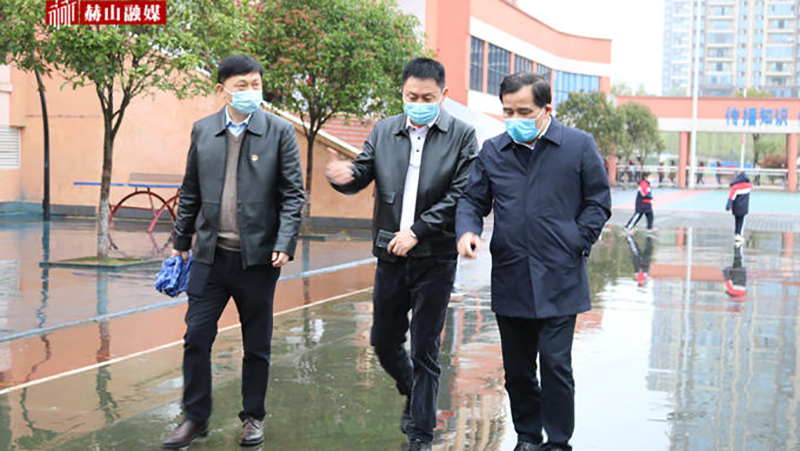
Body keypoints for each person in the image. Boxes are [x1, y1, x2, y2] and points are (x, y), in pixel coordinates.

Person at [325, 57, 478, 451]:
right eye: (412, 96)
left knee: (425, 348)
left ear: (443, 95)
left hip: (435, 257)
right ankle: (413, 389)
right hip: (391, 255)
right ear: (403, 93)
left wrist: (418, 231)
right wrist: (345, 177)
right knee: (383, 341)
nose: (418, 103)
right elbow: (363, 170)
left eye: (427, 97)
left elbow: (460, 194)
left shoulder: (462, 136)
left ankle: (421, 435)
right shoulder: (385, 130)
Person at [456, 72, 611, 451]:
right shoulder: (494, 151)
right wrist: (467, 231)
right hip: (512, 275)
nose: (515, 119)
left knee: (555, 365)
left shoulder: (577, 146)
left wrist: (576, 241)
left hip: (561, 275)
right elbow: (472, 200)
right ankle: (528, 436)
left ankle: (557, 441)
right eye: (508, 111)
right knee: (518, 369)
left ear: (546, 109)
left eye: (524, 112)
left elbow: (598, 201)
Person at [162, 55, 305, 449]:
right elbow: (190, 190)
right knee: (196, 336)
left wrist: (285, 242)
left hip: (257, 260)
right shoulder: (203, 130)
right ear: (222, 89)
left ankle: (253, 417)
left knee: (256, 343)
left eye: (255, 84)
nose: (250, 92)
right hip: (210, 257)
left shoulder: (279, 132)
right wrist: (180, 243)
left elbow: (293, 195)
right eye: (242, 85)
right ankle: (195, 417)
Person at [726, 171, 752, 244]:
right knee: (741, 221)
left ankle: (737, 234)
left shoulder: (735, 188)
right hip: (744, 208)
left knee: (737, 220)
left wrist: (728, 206)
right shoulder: (748, 187)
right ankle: (738, 234)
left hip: (736, 207)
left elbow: (731, 197)